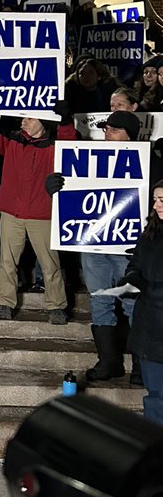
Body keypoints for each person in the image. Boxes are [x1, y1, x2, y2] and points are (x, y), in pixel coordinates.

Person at [46, 110, 143, 384]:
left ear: (129, 134)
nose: (106, 133)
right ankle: (109, 361)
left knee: (133, 303)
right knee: (100, 300)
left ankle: (139, 365)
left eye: (113, 129)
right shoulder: (88, 160)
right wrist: (56, 187)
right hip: (93, 244)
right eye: (106, 128)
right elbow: (74, 191)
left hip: (129, 248)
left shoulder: (149, 163)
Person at [0, 94, 77, 323]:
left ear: (43, 121)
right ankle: (5, 303)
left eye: (29, 118)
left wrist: (66, 120)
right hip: (12, 213)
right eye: (23, 118)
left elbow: (69, 140)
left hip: (43, 215)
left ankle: (56, 305)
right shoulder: (12, 141)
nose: (23, 121)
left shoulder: (54, 147)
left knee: (50, 263)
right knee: (8, 262)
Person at [124, 181, 163, 424]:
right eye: (156, 199)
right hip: (151, 328)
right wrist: (130, 282)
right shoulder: (150, 234)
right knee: (156, 396)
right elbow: (136, 266)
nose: (157, 205)